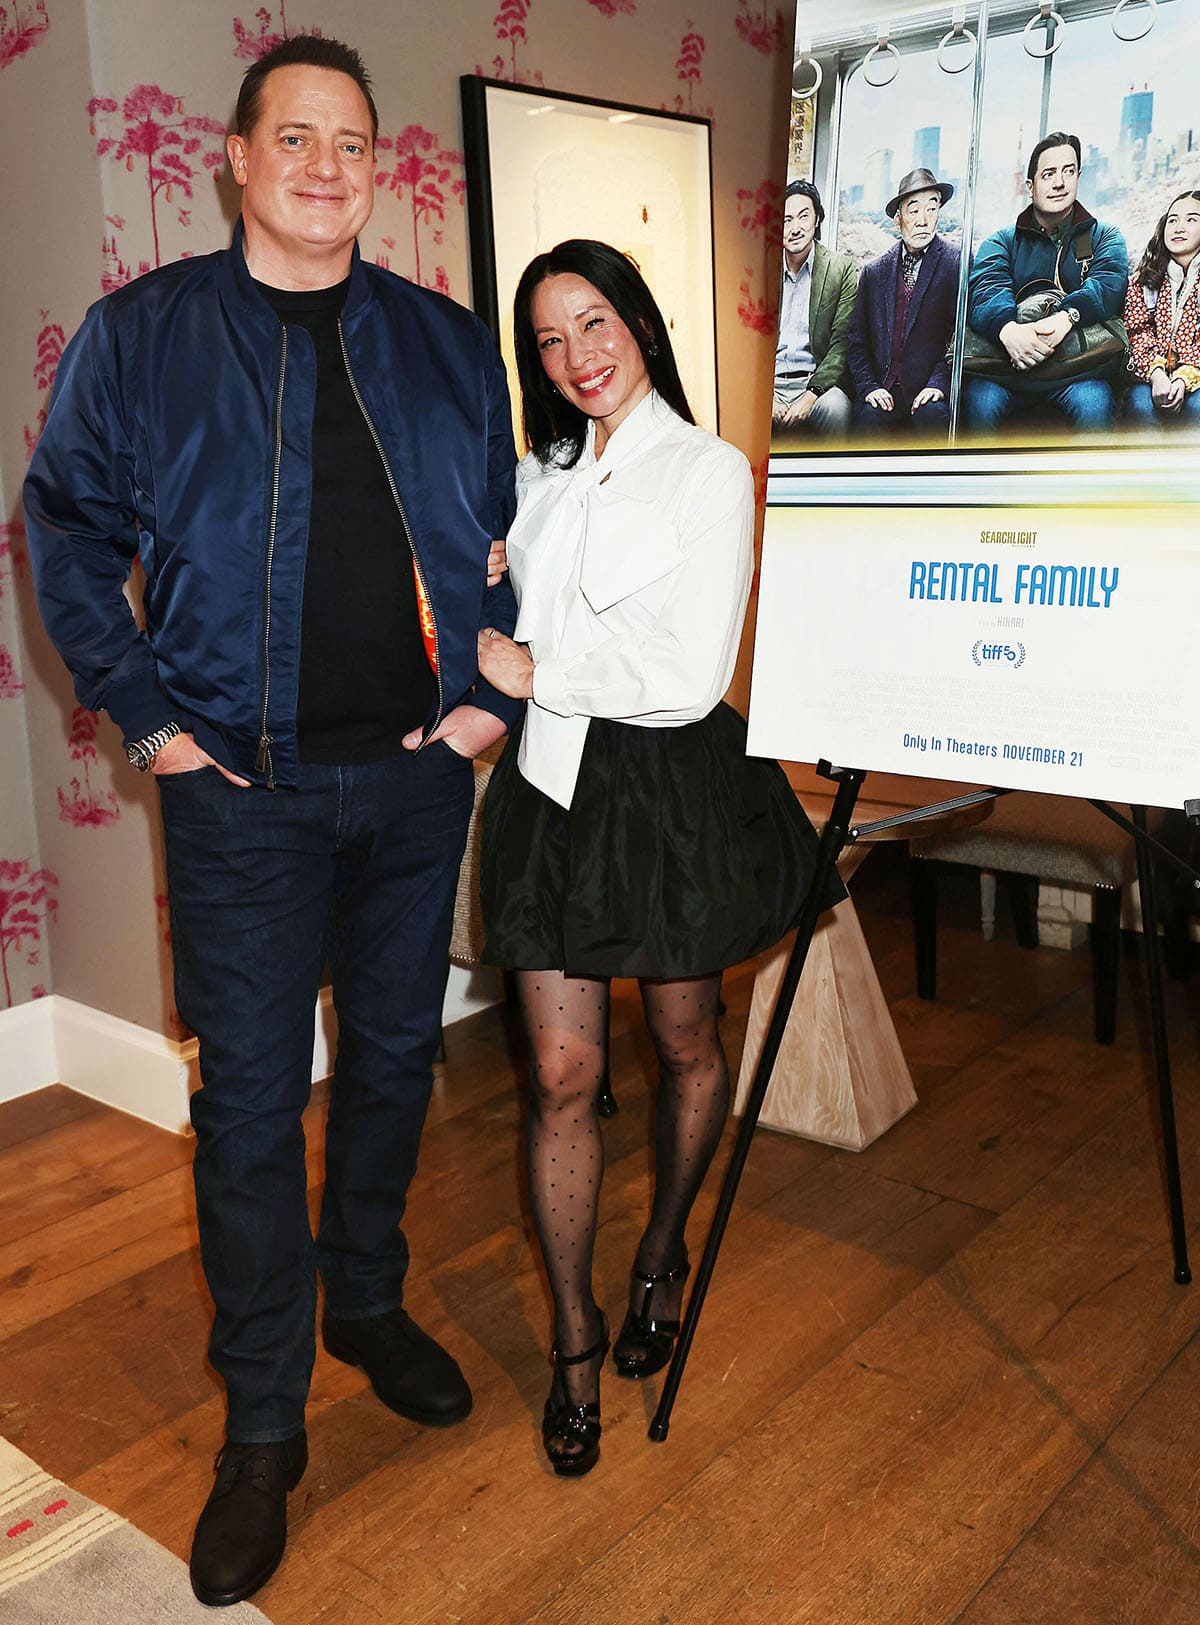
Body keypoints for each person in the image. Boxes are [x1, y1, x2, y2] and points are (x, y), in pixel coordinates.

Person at [24, 35, 518, 1608]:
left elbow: (519, 540)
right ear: (233, 157)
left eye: (354, 144)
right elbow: (64, 523)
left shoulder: (447, 344)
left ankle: (363, 1299)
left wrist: (497, 699)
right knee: (247, 1107)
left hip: (418, 774)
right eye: (294, 137)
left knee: (389, 1059)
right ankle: (261, 1419)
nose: (326, 166)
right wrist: (153, 724)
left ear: (381, 173)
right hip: (238, 793)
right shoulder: (145, 337)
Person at [475, 240, 839, 1478]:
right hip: (552, 793)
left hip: (672, 792)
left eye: (594, 323)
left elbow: (688, 677)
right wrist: (498, 578)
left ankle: (663, 1247)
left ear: (637, 319)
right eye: (548, 339)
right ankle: (576, 1337)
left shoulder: (707, 471)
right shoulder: (537, 476)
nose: (575, 357)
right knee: (563, 1075)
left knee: (685, 1041)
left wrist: (541, 670)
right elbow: (503, 609)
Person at [964, 132, 1128, 433]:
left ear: (1079, 176)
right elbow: (987, 289)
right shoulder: (1001, 241)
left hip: (1078, 370)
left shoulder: (1104, 236)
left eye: (1069, 171)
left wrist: (1068, 317)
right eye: (1049, 174)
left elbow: (1108, 284)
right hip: (1004, 370)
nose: (1059, 183)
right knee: (979, 402)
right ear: (1030, 186)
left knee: (1095, 402)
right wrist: (1008, 330)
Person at [847, 166, 959, 437]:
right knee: (866, 424)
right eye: (913, 210)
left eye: (931, 209)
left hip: (930, 392)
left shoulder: (956, 264)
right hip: (884, 389)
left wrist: (938, 384)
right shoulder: (874, 272)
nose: (923, 220)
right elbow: (856, 342)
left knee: (933, 419)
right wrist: (869, 387)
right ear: (898, 219)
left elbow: (961, 338)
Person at [773, 179, 856, 440]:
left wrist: (811, 395)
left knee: (836, 409)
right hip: (770, 385)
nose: (795, 228)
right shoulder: (757, 267)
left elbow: (841, 342)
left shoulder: (840, 269)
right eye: (786, 220)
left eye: (803, 216)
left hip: (815, 381)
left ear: (817, 218)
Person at [1124, 190, 1200, 430]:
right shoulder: (1143, 280)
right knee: (1139, 404)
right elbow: (1136, 331)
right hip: (1149, 376)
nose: (1179, 227)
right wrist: (1156, 374)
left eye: (1191, 219)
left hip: (1196, 376)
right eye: (1173, 220)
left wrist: (1184, 377)